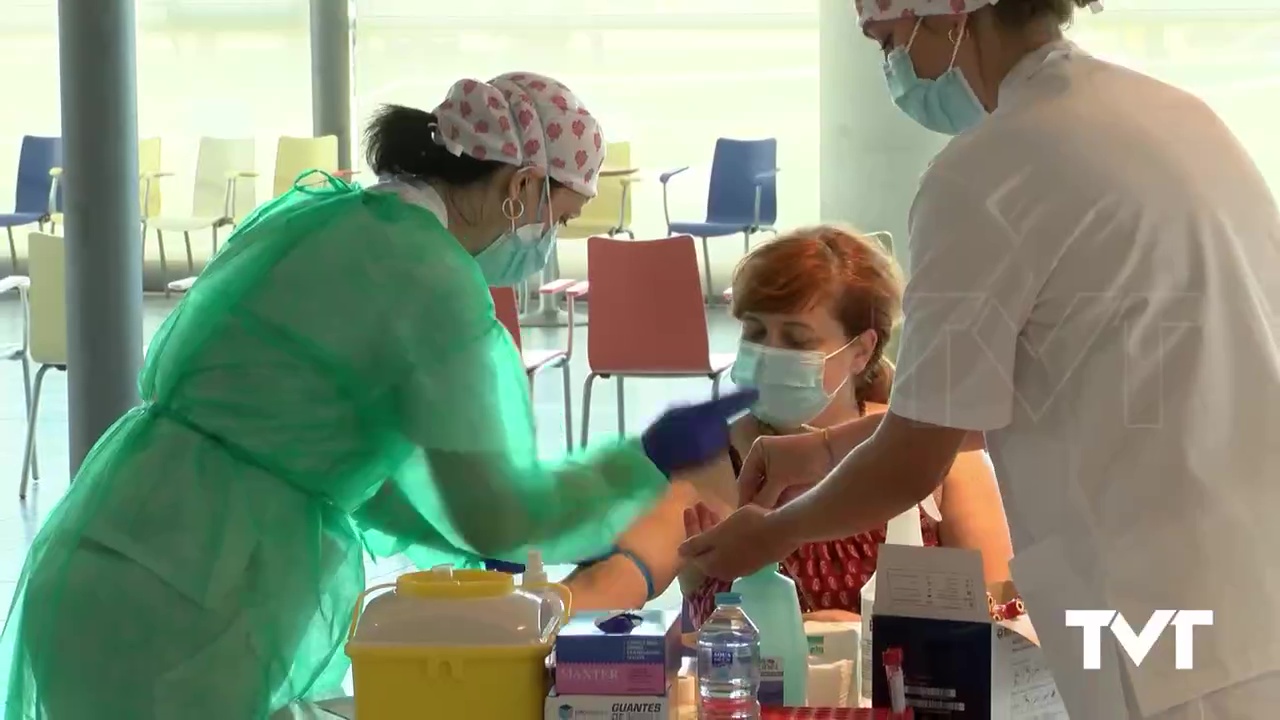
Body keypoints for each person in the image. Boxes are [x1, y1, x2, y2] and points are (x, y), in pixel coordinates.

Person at [0, 71, 753, 720]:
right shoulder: (429, 280)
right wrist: (641, 465)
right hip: (189, 605)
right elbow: (497, 511)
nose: (546, 244)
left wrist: (498, 541)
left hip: (106, 549)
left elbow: (343, 470)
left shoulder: (324, 219)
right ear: (520, 186)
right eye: (555, 218)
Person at [679, 2, 1280, 718]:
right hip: (1251, 591)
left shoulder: (988, 173)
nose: (895, 70)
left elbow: (915, 457)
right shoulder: (1180, 120)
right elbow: (1010, 391)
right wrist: (826, 449)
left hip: (1154, 618)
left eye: (890, 42)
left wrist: (773, 532)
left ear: (948, 15)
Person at [565, 227, 1013, 618]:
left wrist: (862, 639)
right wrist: (526, 613)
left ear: (860, 351)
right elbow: (617, 580)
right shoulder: (712, 462)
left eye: (796, 339)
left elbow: (1003, 611)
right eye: (755, 333)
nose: (770, 353)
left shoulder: (935, 449)